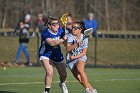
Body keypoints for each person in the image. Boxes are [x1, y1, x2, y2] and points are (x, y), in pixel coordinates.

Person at [66, 22, 98, 93]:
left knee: (80, 69)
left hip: (80, 57)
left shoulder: (85, 38)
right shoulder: (70, 36)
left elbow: (84, 52)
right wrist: (76, 45)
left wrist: (75, 57)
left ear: (80, 29)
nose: (73, 29)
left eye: (75, 28)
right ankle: (93, 91)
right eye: (72, 28)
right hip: (70, 60)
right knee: (79, 79)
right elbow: (68, 49)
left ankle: (87, 90)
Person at [38, 17, 69, 93]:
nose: (57, 26)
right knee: (49, 72)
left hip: (57, 54)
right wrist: (62, 39)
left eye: (57, 24)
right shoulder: (45, 33)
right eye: (54, 24)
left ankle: (62, 83)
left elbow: (65, 44)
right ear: (49, 25)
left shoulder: (61, 31)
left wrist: (66, 41)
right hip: (45, 54)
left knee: (64, 75)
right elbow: (52, 43)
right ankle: (46, 91)